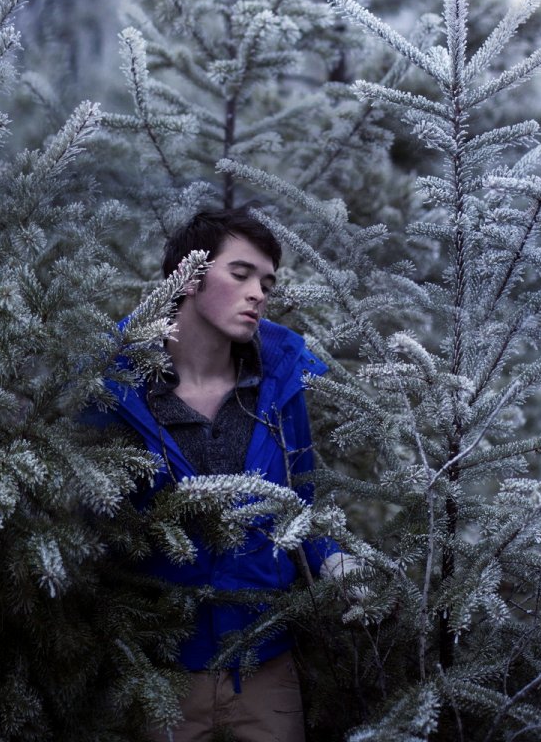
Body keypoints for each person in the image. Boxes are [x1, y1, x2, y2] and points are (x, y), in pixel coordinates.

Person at [100, 206, 346, 742]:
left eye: (267, 281)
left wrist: (337, 563)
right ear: (188, 276)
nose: (258, 292)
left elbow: (301, 497)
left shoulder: (281, 382)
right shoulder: (113, 389)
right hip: (158, 667)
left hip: (265, 664)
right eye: (241, 274)